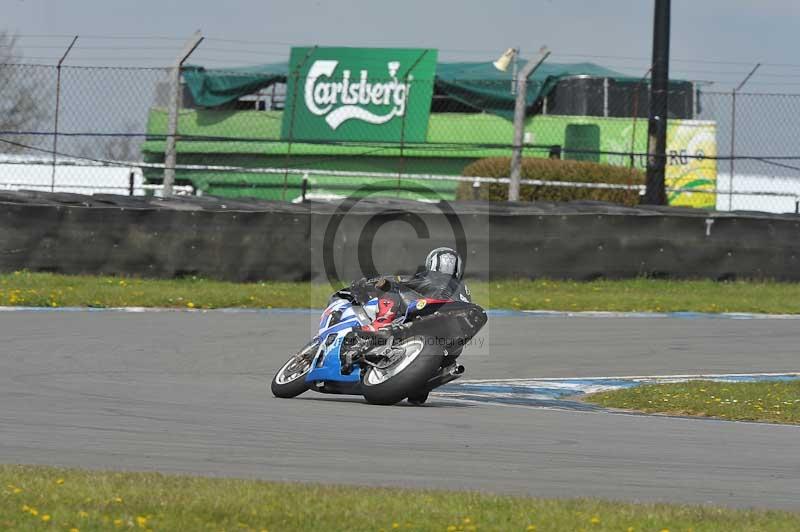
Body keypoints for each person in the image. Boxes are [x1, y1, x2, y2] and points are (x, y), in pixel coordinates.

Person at [347, 247, 471, 332]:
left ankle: (381, 322)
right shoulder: (464, 287)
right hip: (456, 324)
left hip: (431, 309)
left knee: (391, 286)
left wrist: (371, 282)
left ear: (432, 263)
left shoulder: (430, 277)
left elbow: (400, 280)